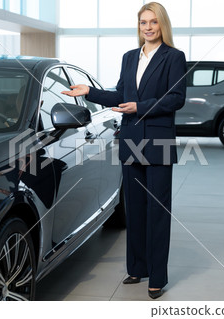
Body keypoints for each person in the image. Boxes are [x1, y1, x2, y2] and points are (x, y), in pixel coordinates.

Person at [62, 2, 187, 299]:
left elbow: (176, 99)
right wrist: (90, 92)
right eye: (143, 22)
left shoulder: (174, 57)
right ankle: (138, 267)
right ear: (139, 26)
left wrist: (140, 107)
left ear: (162, 25)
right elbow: (120, 95)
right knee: (135, 208)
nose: (148, 27)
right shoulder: (129, 57)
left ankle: (157, 276)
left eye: (153, 22)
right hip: (131, 139)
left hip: (158, 142)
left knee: (157, 211)